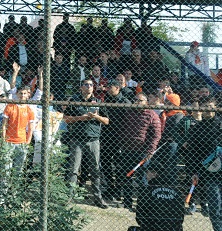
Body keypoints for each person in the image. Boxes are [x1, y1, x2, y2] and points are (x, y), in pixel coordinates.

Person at [63, 79, 109, 208]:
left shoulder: (99, 102)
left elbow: (106, 121)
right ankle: (69, 197)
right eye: (86, 85)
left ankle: (98, 198)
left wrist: (96, 117)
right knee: (73, 170)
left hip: (93, 140)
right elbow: (65, 119)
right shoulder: (74, 101)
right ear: (81, 87)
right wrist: (81, 118)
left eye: (91, 85)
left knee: (95, 169)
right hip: (77, 140)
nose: (89, 87)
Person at [118, 92, 162, 211]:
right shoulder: (129, 113)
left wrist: (150, 151)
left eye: (140, 100)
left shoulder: (152, 115)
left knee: (141, 178)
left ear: (146, 102)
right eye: (136, 100)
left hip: (143, 152)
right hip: (127, 150)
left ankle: (143, 204)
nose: (137, 102)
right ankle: (127, 203)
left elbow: (156, 135)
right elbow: (122, 129)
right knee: (126, 176)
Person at [183, 97, 221, 231]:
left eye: (211, 107)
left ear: (216, 108)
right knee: (215, 207)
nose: (208, 110)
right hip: (209, 173)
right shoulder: (196, 128)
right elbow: (192, 153)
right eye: (205, 107)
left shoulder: (221, 124)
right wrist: (193, 171)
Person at [133, 161, 184, 231]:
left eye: (147, 172)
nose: (146, 175)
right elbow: (181, 217)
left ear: (154, 173)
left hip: (151, 228)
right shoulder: (177, 191)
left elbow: (139, 216)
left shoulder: (147, 191)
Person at [2, 86, 35, 175]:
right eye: (20, 93)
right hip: (9, 141)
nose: (22, 95)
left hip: (22, 141)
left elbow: (31, 128)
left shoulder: (29, 110)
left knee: (18, 169)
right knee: (6, 169)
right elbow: (4, 124)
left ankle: (15, 189)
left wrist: (27, 142)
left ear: (28, 95)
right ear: (17, 94)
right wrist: (3, 139)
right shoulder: (10, 107)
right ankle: (4, 189)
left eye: (24, 93)